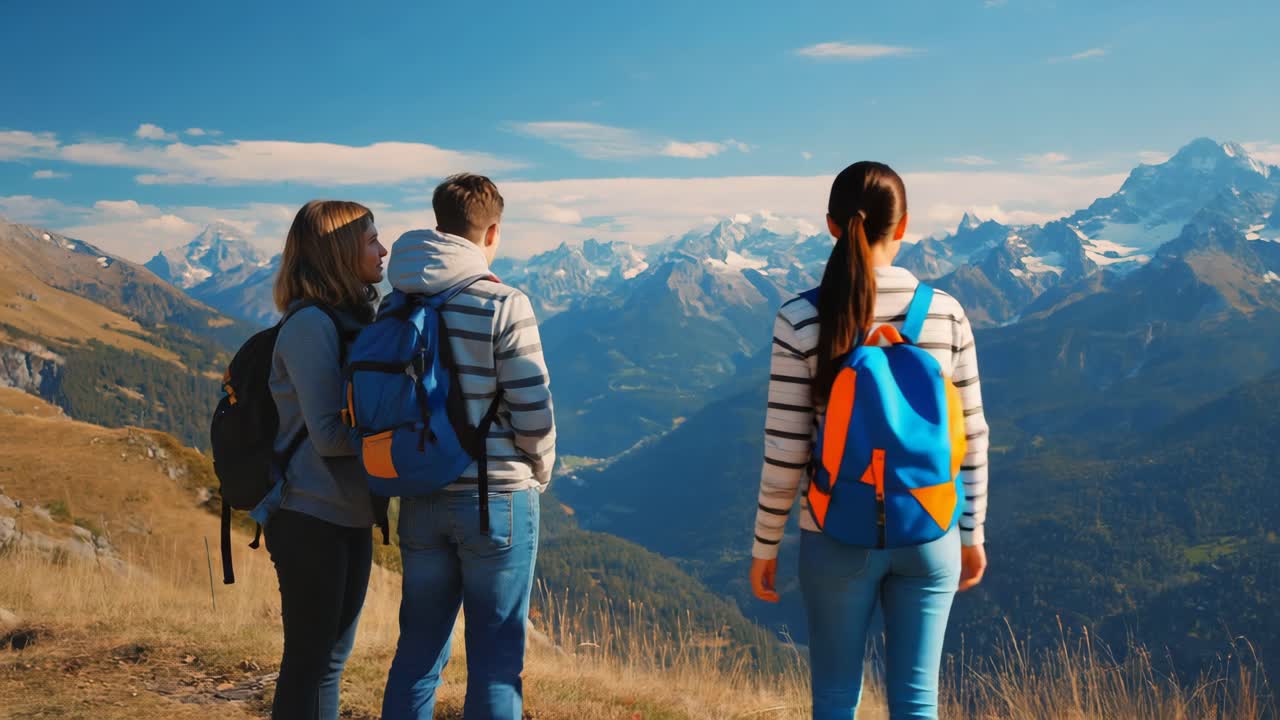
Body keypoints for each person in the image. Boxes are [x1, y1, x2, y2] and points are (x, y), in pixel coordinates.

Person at [748, 162, 990, 719]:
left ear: (831, 226)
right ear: (903, 227)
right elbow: (971, 435)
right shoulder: (947, 314)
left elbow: (786, 449)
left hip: (834, 531)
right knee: (916, 701)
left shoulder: (801, 318)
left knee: (835, 698)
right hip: (930, 528)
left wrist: (766, 545)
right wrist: (971, 530)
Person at [381, 173, 557, 720]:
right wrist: (539, 471)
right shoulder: (504, 302)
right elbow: (534, 409)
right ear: (492, 231)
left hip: (418, 492)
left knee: (417, 651)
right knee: (497, 660)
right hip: (496, 498)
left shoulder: (393, 305)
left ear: (438, 223)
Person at [259, 200, 387, 719]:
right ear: (338, 252)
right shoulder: (310, 325)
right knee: (310, 662)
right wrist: (406, 442)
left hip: (348, 512)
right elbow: (330, 435)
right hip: (309, 514)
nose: (384, 249)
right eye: (372, 240)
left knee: (330, 661)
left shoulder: (355, 317)